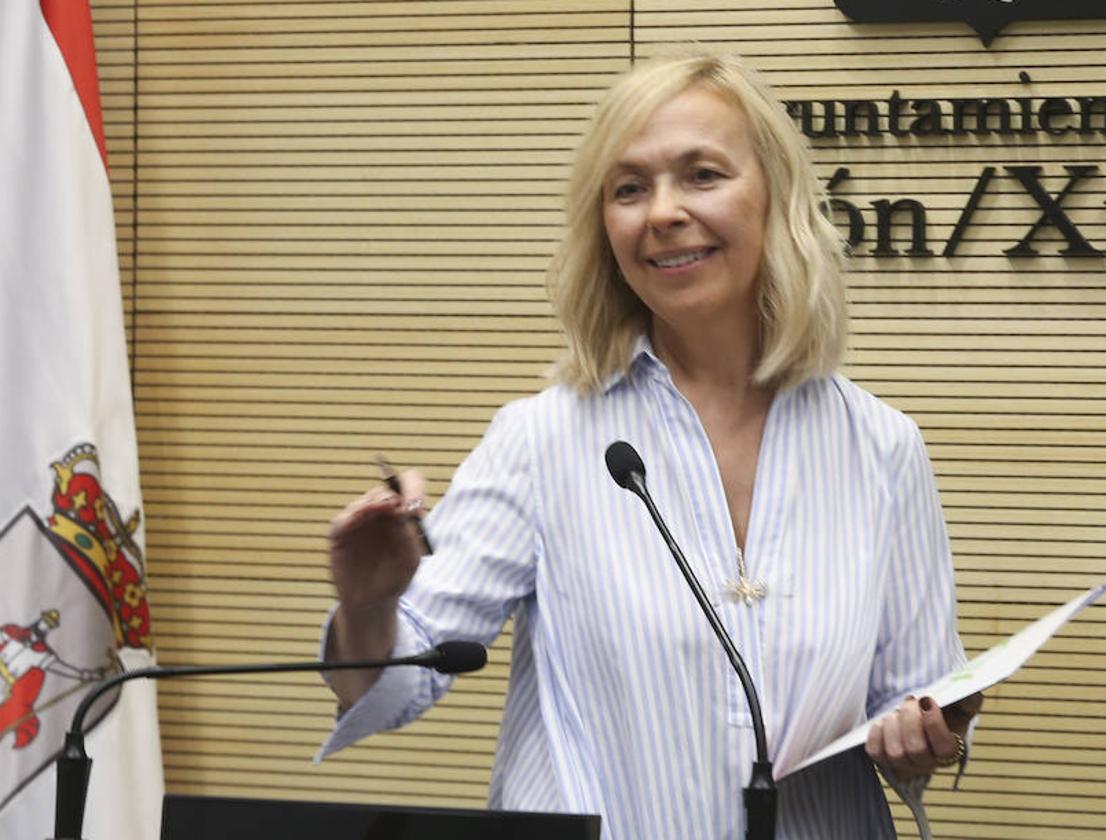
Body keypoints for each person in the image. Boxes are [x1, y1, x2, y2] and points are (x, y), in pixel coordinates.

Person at [318, 51, 981, 840]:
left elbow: (913, 710)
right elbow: (395, 685)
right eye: (629, 188)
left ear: (777, 197)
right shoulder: (544, 439)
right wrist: (368, 605)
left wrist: (925, 732)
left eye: (701, 174)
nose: (661, 211)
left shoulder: (882, 446)